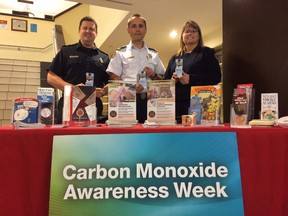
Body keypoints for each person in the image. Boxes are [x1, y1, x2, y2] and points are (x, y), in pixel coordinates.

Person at [47, 16, 109, 124]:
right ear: (79, 30)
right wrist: (73, 89)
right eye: (85, 28)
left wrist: (103, 91)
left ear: (96, 33)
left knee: (92, 139)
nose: (88, 31)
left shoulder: (104, 58)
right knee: (66, 140)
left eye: (92, 29)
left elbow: (111, 84)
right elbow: (51, 77)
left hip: (94, 107)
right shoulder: (66, 51)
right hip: (69, 104)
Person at [106, 14, 165, 123]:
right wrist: (131, 87)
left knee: (151, 135)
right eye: (134, 26)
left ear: (145, 29)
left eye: (140, 26)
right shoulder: (120, 53)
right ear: (128, 30)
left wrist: (153, 75)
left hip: (151, 101)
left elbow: (163, 79)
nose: (137, 29)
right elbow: (113, 77)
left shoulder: (154, 54)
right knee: (127, 135)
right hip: (126, 101)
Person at [164, 20, 221, 122]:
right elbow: (165, 82)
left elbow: (216, 77)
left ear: (199, 35)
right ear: (182, 36)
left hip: (198, 106)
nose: (190, 33)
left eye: (194, 31)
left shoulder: (206, 53)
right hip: (175, 108)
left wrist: (191, 78)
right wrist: (172, 81)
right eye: (187, 31)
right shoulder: (174, 58)